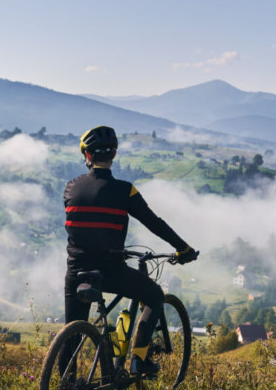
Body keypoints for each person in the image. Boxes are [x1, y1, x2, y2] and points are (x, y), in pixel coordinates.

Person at [64, 125, 198, 375]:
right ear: (113, 155)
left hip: (77, 272)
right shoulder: (126, 190)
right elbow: (154, 222)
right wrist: (184, 248)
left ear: (87, 156)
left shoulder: (71, 187)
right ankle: (139, 361)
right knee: (155, 295)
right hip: (111, 272)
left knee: (71, 334)